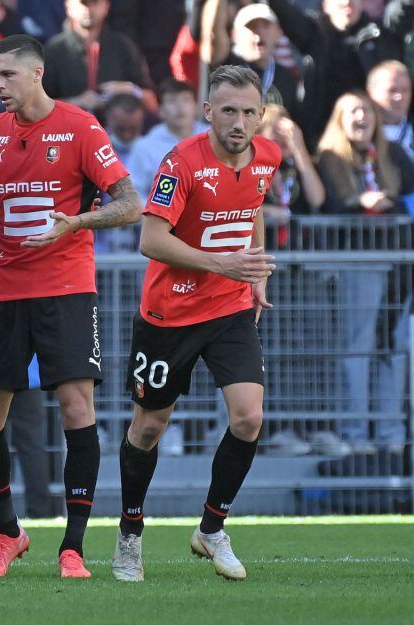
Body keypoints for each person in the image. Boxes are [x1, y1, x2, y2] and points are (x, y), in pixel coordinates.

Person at [0, 34, 141, 579]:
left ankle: (72, 547)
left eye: (6, 76)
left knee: (76, 409)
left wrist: (78, 222)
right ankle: (9, 533)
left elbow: (131, 204)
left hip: (66, 289)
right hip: (6, 291)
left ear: (36, 73)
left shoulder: (80, 127)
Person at [110, 65, 280, 583]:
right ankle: (130, 533)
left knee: (249, 418)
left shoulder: (268, 156)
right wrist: (225, 263)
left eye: (250, 111)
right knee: (149, 427)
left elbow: (252, 209)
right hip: (170, 314)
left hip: (229, 308)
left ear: (261, 117)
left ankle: (211, 527)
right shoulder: (180, 162)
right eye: (229, 110)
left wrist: (254, 272)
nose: (239, 121)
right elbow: (151, 240)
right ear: (208, 112)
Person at [315, 90, 414, 453]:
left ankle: (390, 435)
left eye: (367, 111)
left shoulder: (394, 155)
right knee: (357, 348)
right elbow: (323, 205)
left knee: (395, 346)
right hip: (357, 262)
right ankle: (355, 435)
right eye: (353, 111)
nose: (362, 117)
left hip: (401, 265)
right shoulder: (329, 158)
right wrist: (357, 204)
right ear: (339, 120)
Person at [268, 0, 414, 146]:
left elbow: (408, 7)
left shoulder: (378, 34)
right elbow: (283, 11)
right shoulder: (313, 34)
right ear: (325, 4)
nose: (347, 2)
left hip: (371, 141)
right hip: (322, 141)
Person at [42, 0, 157, 114]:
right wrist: (75, 102)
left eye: (95, 3)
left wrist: (130, 90)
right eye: (83, 3)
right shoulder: (53, 50)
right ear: (68, 6)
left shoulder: (124, 47)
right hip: (68, 129)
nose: (89, 10)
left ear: (106, 6)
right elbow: (37, 107)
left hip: (114, 130)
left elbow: (153, 103)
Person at [202, 1, 300, 114]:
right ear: (234, 34)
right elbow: (213, 38)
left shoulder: (287, 78)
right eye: (251, 26)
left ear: (279, 33)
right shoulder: (225, 66)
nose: (259, 31)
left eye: (265, 25)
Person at [126, 79, 207, 201]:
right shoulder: (144, 146)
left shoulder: (212, 137)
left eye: (185, 99)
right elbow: (133, 192)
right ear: (161, 111)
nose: (180, 106)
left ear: (196, 106)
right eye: (172, 101)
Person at [366, 60, 414, 177]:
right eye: (392, 90)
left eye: (405, 90)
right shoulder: (361, 139)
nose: (399, 97)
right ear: (371, 93)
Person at [102, 93, 145, 161]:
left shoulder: (154, 152)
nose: (126, 135)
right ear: (108, 119)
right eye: (121, 129)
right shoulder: (93, 150)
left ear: (142, 120)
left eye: (133, 129)